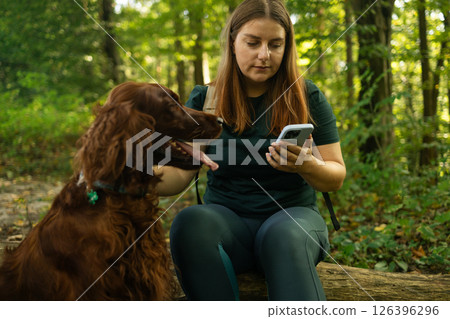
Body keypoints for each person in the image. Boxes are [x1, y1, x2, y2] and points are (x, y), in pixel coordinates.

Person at [156, 0, 346, 301]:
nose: (264, 55)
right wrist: (135, 171)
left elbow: (335, 176)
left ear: (287, 47)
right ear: (233, 42)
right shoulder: (206, 99)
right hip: (227, 225)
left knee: (283, 235)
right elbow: (178, 174)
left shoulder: (307, 96)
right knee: (190, 222)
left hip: (294, 223)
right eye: (253, 42)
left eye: (275, 44)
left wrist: (308, 166)